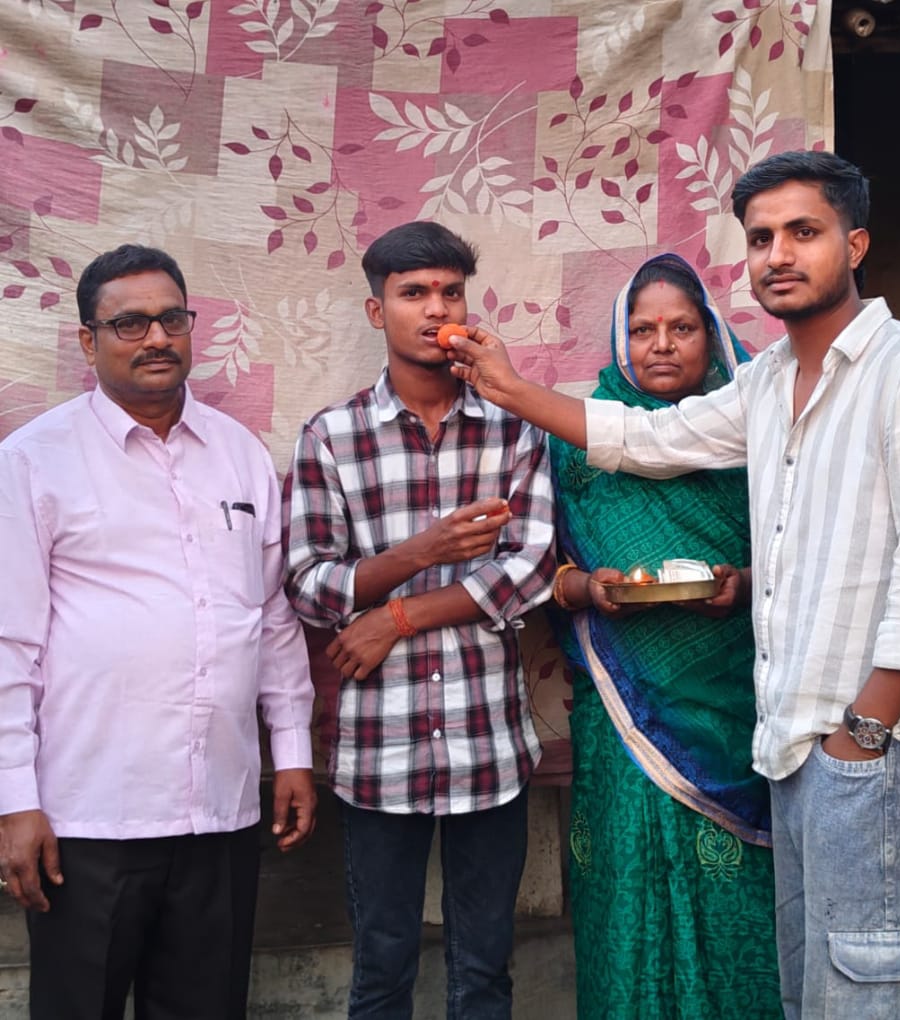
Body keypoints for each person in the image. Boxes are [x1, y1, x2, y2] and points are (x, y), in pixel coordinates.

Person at [446, 151, 900, 1019]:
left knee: (870, 986)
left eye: (802, 232)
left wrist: (859, 736)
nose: (778, 254)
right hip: (789, 746)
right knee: (811, 987)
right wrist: (509, 387)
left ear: (854, 245)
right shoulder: (766, 382)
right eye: (761, 237)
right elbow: (648, 439)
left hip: (869, 749)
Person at [0, 244, 317, 1019]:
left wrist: (293, 753)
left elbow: (271, 619)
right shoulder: (33, 462)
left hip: (220, 810)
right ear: (89, 341)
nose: (156, 338)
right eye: (130, 323)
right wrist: (14, 800)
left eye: (172, 319)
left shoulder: (239, 455)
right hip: (88, 817)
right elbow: (9, 645)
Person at [281, 220, 555, 1019]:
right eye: (413, 293)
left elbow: (532, 567)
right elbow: (308, 585)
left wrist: (397, 616)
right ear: (378, 311)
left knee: (484, 975)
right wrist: (419, 552)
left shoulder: (513, 428)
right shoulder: (331, 438)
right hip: (379, 753)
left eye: (450, 292)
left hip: (488, 747)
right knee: (381, 972)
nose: (436, 309)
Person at [549, 252, 781, 1018]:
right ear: (621, 340)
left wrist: (739, 582)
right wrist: (586, 588)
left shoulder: (755, 434)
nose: (660, 344)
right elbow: (537, 573)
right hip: (622, 713)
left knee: (733, 897)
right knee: (626, 890)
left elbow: (801, 555)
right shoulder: (575, 446)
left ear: (710, 337)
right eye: (643, 329)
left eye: (681, 328)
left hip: (734, 705)